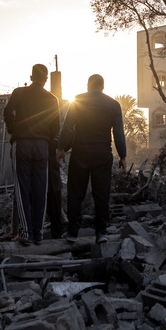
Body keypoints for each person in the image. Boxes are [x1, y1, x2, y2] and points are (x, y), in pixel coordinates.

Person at [57, 74, 126, 244]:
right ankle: (101, 233)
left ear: (88, 85)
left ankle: (73, 232)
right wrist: (123, 155)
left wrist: (60, 148)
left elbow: (67, 127)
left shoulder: (78, 101)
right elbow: (118, 134)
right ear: (103, 86)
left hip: (80, 153)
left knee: (75, 193)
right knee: (101, 194)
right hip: (102, 154)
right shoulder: (113, 105)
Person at [4, 64, 59, 245]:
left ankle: (26, 233)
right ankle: (38, 234)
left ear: (31, 76)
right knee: (40, 190)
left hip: (23, 143)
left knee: (22, 189)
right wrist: (48, 143)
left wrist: (14, 129)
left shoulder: (19, 93)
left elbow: (7, 112)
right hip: (42, 146)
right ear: (46, 79)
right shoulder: (52, 98)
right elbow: (55, 128)